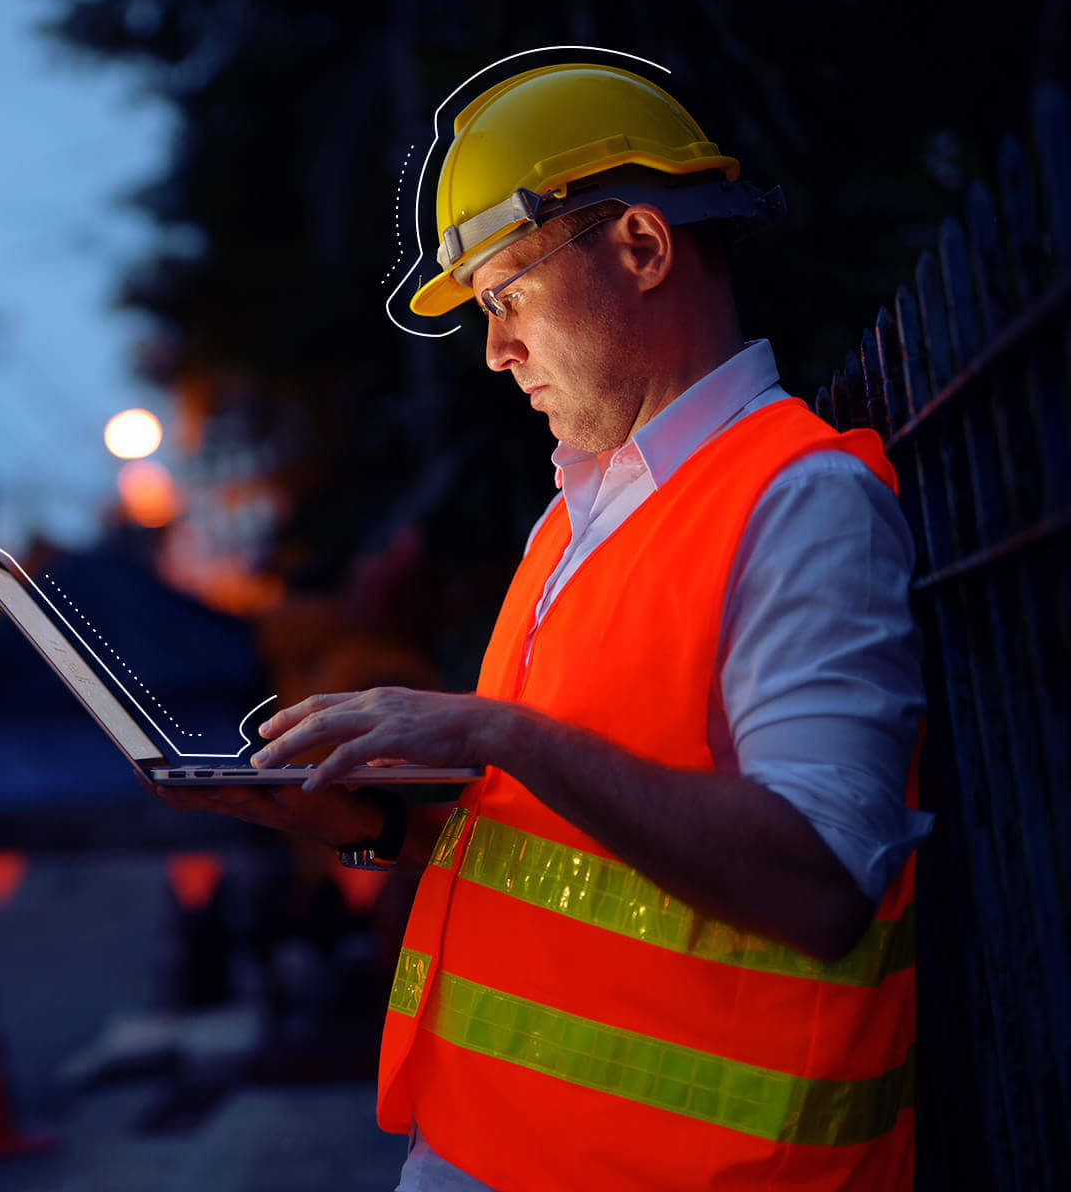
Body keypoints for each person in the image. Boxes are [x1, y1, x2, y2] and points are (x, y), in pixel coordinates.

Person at [134, 62, 929, 1189]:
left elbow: (817, 881)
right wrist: (362, 820)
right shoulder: (577, 520)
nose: (496, 350)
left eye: (505, 295)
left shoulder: (800, 499)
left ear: (643, 249)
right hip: (505, 1146)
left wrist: (498, 732)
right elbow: (560, 843)